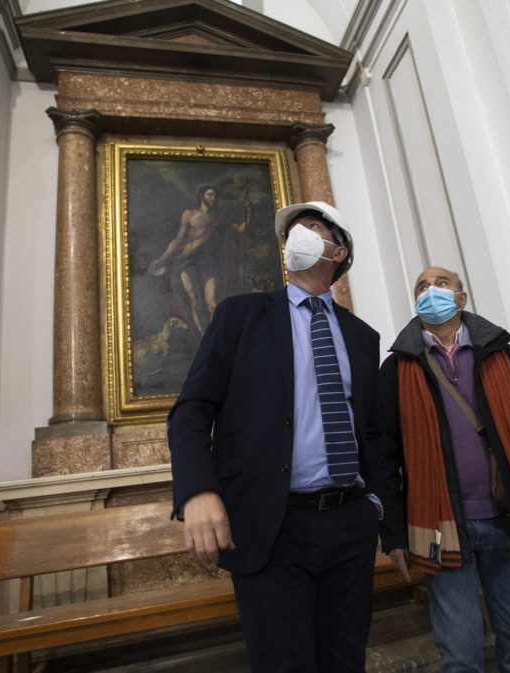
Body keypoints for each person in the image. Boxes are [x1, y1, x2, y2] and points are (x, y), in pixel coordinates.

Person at [167, 201, 383, 673]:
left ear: (338, 251)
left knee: (345, 662)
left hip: (350, 524)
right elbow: (191, 410)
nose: (297, 237)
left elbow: (372, 432)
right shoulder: (240, 316)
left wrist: (378, 508)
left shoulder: (363, 337)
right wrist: (198, 491)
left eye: (311, 228)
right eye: (293, 232)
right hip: (271, 526)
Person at [378, 266, 510, 673]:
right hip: (440, 526)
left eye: (442, 283)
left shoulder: (500, 353)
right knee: (459, 656)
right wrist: (392, 533)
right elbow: (383, 455)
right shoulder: (397, 369)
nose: (431, 290)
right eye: (422, 286)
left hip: (507, 517)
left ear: (462, 296)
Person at [149, 185, 252, 335]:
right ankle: (203, 336)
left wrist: (249, 211)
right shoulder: (189, 215)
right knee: (194, 298)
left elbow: (241, 228)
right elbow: (178, 239)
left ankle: (213, 336)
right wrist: (162, 259)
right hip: (187, 259)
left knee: (212, 304)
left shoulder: (220, 216)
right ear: (201, 196)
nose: (213, 198)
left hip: (207, 260)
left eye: (215, 195)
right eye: (210, 194)